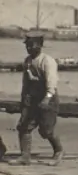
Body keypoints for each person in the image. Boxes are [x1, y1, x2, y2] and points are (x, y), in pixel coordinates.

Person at [11, 32, 63, 166]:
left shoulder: (47, 61)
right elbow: (26, 82)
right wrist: (24, 98)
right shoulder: (27, 61)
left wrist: (47, 99)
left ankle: (58, 151)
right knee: (24, 126)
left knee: (46, 130)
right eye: (27, 46)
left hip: (48, 98)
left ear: (39, 46)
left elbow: (52, 83)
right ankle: (25, 156)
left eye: (31, 45)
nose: (29, 48)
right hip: (32, 98)